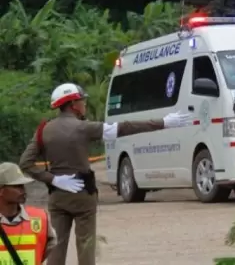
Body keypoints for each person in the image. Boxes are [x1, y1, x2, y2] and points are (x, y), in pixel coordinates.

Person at [19, 82, 192, 265]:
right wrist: (164, 122)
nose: (84, 104)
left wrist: (54, 179)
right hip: (83, 195)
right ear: (73, 105)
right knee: (86, 245)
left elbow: (25, 163)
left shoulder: (44, 130)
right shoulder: (84, 128)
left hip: (57, 196)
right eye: (82, 101)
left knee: (56, 247)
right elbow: (126, 128)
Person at [0, 162, 57, 264]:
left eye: (22, 186)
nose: (23, 190)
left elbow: (49, 244)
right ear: (1, 190)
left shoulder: (40, 218)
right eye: (16, 186)